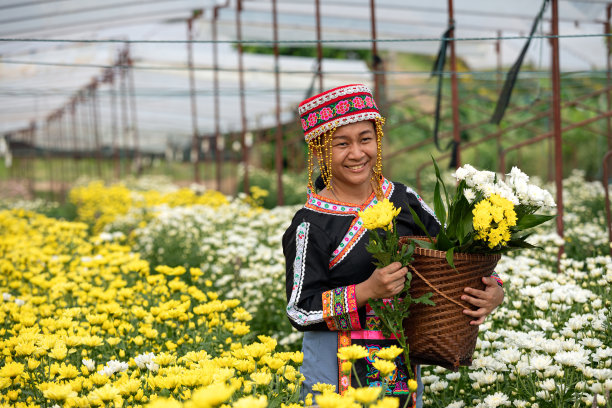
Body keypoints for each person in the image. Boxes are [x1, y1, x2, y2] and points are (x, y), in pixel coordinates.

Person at [282, 84, 504, 407]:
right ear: (319, 151)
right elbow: (300, 309)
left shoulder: (403, 200)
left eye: (365, 139)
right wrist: (367, 290)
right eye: (341, 143)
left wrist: (493, 288)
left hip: (399, 366)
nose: (357, 153)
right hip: (333, 373)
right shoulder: (310, 224)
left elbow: (455, 253)